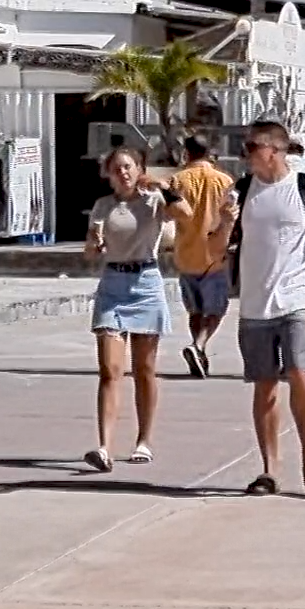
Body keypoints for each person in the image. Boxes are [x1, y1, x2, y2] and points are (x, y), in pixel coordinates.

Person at [230, 121, 305, 498]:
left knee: (299, 371)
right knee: (264, 388)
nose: (246, 153)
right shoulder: (241, 192)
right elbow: (215, 247)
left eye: (252, 146)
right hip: (254, 304)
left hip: (297, 299)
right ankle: (269, 470)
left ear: (274, 150)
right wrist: (221, 223)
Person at [82, 146, 192, 472]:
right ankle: (104, 447)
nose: (123, 173)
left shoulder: (153, 202)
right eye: (116, 169)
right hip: (113, 284)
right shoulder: (103, 207)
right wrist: (94, 245)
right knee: (110, 370)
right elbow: (90, 249)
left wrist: (163, 187)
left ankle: (144, 440)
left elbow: (185, 213)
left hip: (145, 281)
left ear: (139, 168)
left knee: (144, 369)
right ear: (109, 174)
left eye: (128, 167)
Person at [171, 136, 235, 379]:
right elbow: (232, 215)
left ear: (186, 153)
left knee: (195, 311)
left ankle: (199, 349)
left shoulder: (177, 180)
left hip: (186, 254)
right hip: (214, 257)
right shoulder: (224, 181)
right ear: (210, 153)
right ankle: (199, 345)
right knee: (215, 310)